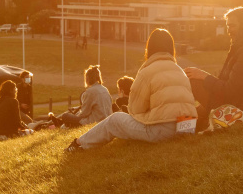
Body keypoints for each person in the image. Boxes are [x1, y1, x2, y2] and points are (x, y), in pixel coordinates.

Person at [65, 28, 197, 152]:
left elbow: (135, 109)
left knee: (114, 119)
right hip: (187, 128)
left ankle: (79, 144)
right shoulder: (180, 71)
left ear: (149, 48)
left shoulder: (147, 71)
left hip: (163, 131)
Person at [184, 7, 243, 124]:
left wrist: (204, 76)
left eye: (232, 26)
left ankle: (181, 127)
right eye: (227, 26)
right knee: (196, 113)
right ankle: (183, 129)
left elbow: (230, 91)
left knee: (192, 81)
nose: (228, 30)